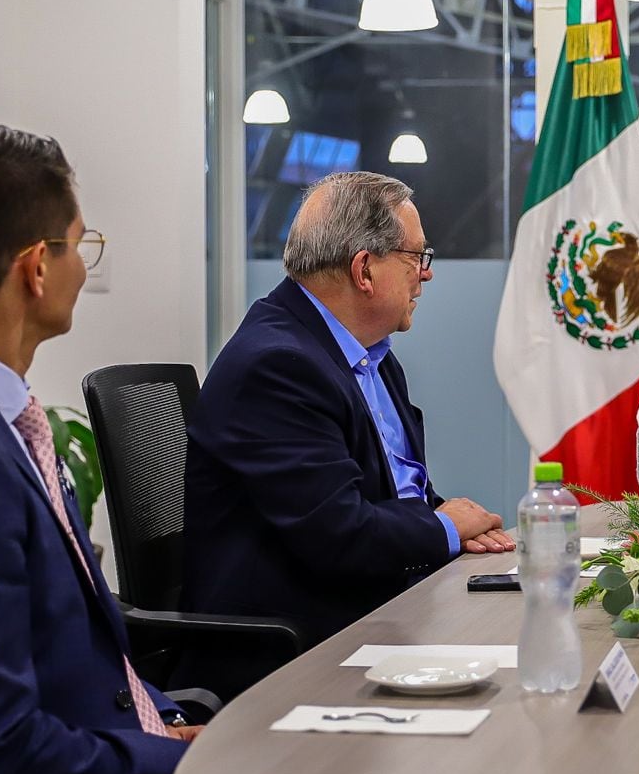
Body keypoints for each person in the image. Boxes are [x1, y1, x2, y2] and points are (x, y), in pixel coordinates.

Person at [0, 124, 198, 774]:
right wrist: (181, 758)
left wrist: (165, 718)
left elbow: (64, 639)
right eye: (81, 243)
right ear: (37, 267)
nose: (86, 266)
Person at [177, 171, 512, 698]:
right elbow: (341, 534)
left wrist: (455, 526)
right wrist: (443, 528)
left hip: (376, 609)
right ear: (364, 269)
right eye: (417, 258)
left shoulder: (369, 356)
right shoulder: (278, 365)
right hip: (296, 651)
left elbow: (397, 493)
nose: (426, 276)